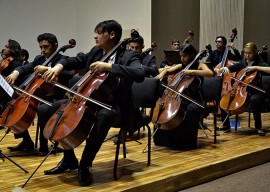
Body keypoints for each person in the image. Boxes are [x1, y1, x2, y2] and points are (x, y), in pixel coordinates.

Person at [42, 20, 145, 186]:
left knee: (104, 116)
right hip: (92, 101)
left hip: (117, 108)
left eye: (98, 32)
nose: (95, 36)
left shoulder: (127, 56)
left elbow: (140, 73)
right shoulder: (96, 52)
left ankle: (85, 164)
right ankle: (69, 159)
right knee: (54, 107)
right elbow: (74, 60)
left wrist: (110, 67)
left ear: (111, 35)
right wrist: (57, 68)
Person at [5, 33, 74, 155]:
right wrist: (15, 73)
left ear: (55, 46)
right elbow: (26, 67)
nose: (43, 50)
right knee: (11, 105)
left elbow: (69, 74)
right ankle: (27, 141)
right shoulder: (39, 59)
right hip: (37, 96)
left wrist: (49, 69)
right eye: (41, 47)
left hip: (56, 98)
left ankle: (43, 146)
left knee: (42, 110)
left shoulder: (63, 60)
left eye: (46, 47)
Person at [153, 44, 214, 149]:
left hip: (195, 99)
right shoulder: (182, 65)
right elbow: (168, 70)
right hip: (178, 97)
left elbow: (210, 73)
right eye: (181, 56)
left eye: (184, 56)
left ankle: (186, 143)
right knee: (161, 109)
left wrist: (192, 71)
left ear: (192, 55)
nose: (182, 58)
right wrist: (163, 73)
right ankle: (163, 140)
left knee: (190, 110)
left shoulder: (199, 65)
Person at [219, 42, 269, 136]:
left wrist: (256, 67)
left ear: (255, 53)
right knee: (223, 96)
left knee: (255, 99)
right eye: (245, 53)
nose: (247, 55)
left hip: (256, 91)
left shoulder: (260, 62)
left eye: (249, 53)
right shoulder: (243, 63)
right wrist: (225, 69)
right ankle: (226, 125)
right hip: (242, 90)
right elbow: (230, 68)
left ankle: (258, 127)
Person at [0, 39, 22, 115]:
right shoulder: (5, 61)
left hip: (10, 90)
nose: (4, 48)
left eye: (7, 47)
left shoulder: (16, 63)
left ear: (12, 49)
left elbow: (12, 82)